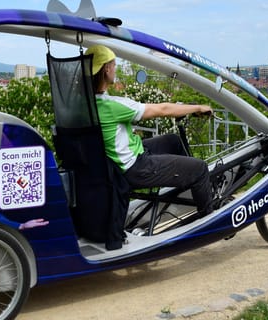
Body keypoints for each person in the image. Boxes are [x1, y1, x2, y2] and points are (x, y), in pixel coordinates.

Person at [85, 44, 215, 218]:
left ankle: (188, 184)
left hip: (116, 163)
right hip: (134, 168)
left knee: (173, 141)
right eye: (114, 65)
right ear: (107, 69)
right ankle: (208, 219)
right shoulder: (111, 106)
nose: (115, 69)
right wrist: (197, 107)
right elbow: (162, 110)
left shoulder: (85, 103)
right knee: (199, 169)